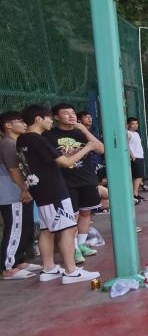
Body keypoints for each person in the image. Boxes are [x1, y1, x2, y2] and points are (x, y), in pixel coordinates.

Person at [17, 105, 100, 284]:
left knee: (47, 230)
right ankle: (71, 271)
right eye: (48, 118)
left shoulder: (22, 139)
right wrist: (87, 148)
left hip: (39, 189)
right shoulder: (38, 139)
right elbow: (66, 162)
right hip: (53, 189)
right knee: (68, 229)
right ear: (38, 119)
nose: (50, 122)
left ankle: (49, 268)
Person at [45, 103, 104, 264]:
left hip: (87, 178)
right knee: (72, 216)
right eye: (66, 113)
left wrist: (84, 130)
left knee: (85, 212)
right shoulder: (49, 135)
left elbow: (100, 149)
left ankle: (82, 244)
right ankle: (74, 248)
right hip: (65, 180)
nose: (71, 115)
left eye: (73, 112)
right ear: (56, 117)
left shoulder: (81, 132)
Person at [0, 112, 36, 280]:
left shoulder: (16, 142)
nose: (24, 124)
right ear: (8, 125)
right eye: (20, 121)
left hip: (19, 191)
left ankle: (19, 260)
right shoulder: (7, 143)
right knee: (14, 227)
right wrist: (24, 189)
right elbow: (13, 170)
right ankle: (8, 268)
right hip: (11, 193)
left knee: (23, 226)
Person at [126, 117, 146, 202]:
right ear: (128, 125)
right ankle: (134, 194)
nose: (135, 125)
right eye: (133, 124)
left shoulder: (136, 133)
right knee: (137, 176)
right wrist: (132, 155)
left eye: (136, 123)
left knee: (138, 176)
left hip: (140, 156)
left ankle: (136, 193)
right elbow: (126, 145)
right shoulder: (128, 133)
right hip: (135, 157)